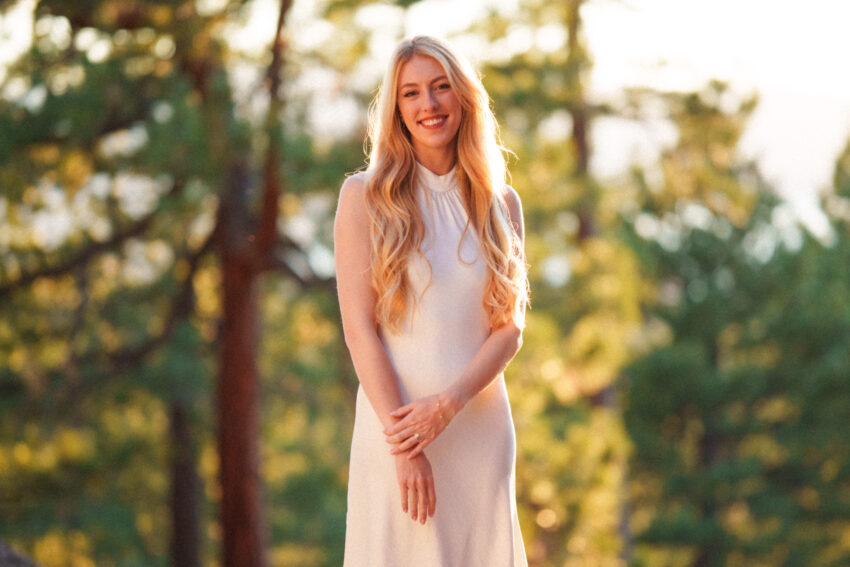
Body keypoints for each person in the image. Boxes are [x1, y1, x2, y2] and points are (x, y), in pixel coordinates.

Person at [334, 35, 529, 566]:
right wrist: (407, 445)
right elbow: (360, 330)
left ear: (464, 97)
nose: (430, 105)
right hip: (395, 436)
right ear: (395, 109)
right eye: (412, 93)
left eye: (442, 87)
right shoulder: (364, 197)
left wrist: (450, 404)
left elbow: (508, 328)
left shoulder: (499, 202)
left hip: (477, 432)